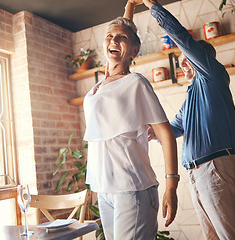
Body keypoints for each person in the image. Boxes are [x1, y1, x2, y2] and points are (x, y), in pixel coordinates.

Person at [124, 1, 235, 239]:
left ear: (200, 59)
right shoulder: (192, 94)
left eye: (186, 57)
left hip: (216, 168)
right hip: (197, 174)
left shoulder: (211, 75)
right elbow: (175, 127)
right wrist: (151, 131)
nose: (182, 62)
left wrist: (152, 4)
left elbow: (182, 38)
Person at [83, 15, 179, 240]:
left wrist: (171, 186)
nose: (114, 40)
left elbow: (165, 134)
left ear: (135, 51)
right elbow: (121, 31)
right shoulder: (99, 85)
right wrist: (130, 7)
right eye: (109, 37)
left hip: (133, 189)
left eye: (121, 38)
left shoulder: (135, 83)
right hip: (105, 191)